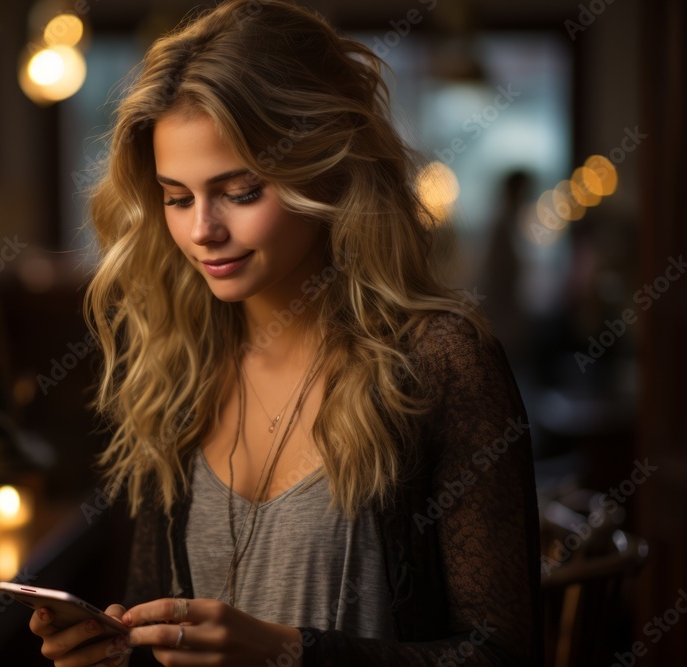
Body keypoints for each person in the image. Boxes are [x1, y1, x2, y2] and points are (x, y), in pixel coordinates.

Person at [30, 0, 541, 664]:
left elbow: (504, 654)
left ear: (328, 167)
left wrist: (289, 651)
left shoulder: (438, 362)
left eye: (240, 190)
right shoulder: (177, 366)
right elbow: (158, 620)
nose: (202, 230)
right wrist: (118, 647)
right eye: (177, 197)